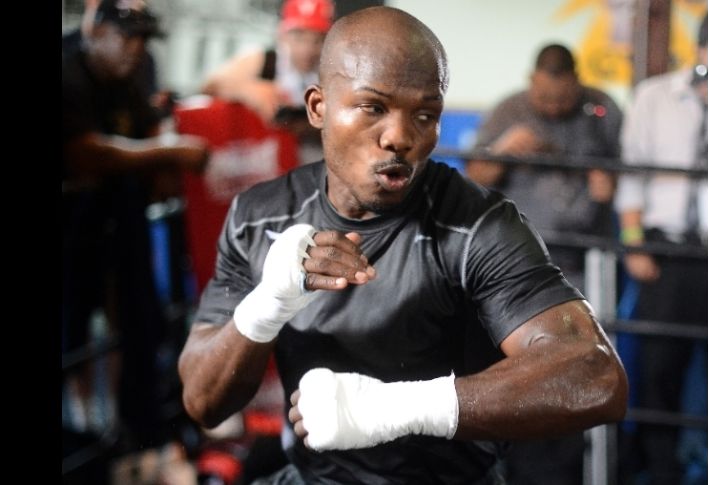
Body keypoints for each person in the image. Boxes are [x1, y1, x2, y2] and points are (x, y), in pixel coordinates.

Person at [178, 7, 628, 485]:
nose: (400, 137)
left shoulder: (477, 226)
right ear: (318, 108)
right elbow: (204, 402)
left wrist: (399, 409)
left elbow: (598, 378)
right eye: (373, 107)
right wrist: (266, 304)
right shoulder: (260, 215)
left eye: (425, 115)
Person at [62, 0, 208, 441]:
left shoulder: (141, 67)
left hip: (121, 209)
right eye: (127, 37)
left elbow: (146, 127)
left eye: (142, 38)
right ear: (95, 30)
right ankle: (77, 431)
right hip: (69, 212)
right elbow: (84, 153)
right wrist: (172, 150)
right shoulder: (67, 67)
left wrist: (162, 135)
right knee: (71, 321)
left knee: (139, 317)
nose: (135, 48)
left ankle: (134, 432)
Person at [614, 12, 708, 485]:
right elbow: (632, 178)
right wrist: (633, 245)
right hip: (665, 252)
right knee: (658, 371)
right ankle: (661, 470)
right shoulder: (655, 98)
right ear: (700, 51)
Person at [466, 44, 622, 292]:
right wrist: (502, 151)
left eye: (562, 99)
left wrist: (610, 183)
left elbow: (630, 176)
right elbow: (474, 179)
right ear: (532, 80)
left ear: (576, 81)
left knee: (585, 327)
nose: (553, 107)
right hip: (517, 252)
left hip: (584, 255)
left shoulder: (602, 108)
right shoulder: (507, 110)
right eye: (544, 98)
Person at [201, 0, 335, 165]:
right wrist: (248, 90)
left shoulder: (335, 68)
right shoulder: (266, 61)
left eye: (318, 39)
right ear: (282, 34)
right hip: (267, 163)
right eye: (299, 36)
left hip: (315, 163)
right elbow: (210, 84)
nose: (307, 48)